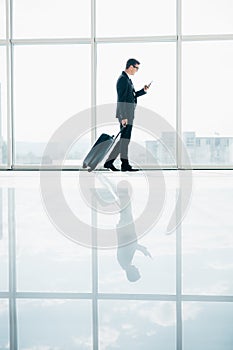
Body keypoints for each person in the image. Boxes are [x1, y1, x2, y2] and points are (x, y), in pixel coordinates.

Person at [104, 58, 150, 172]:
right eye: (136, 68)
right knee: (124, 139)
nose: (137, 70)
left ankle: (113, 163)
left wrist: (143, 91)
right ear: (130, 67)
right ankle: (119, 164)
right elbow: (121, 99)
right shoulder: (123, 80)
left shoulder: (127, 80)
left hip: (128, 113)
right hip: (125, 114)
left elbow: (131, 96)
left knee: (124, 140)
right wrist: (123, 116)